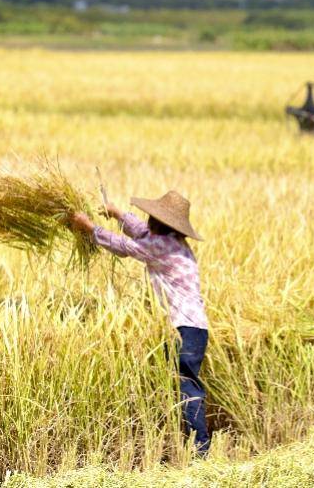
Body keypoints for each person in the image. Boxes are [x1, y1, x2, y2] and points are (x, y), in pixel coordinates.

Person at [69, 190, 211, 456]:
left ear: (160, 223)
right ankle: (191, 446)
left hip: (187, 329)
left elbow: (126, 247)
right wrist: (118, 213)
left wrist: (90, 228)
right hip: (192, 328)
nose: (148, 220)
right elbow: (142, 234)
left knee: (186, 385)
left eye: (152, 217)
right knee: (181, 384)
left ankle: (200, 450)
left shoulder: (162, 247)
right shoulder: (172, 243)